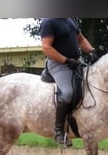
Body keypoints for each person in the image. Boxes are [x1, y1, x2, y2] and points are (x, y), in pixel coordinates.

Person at [40, 18, 99, 147]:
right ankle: (58, 131)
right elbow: (46, 47)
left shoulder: (69, 20)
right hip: (58, 64)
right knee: (68, 93)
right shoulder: (49, 22)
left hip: (76, 61)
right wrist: (66, 60)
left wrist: (91, 50)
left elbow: (81, 39)